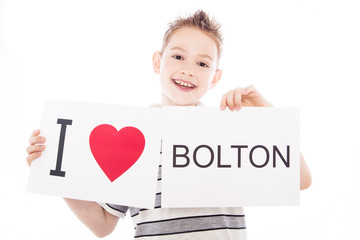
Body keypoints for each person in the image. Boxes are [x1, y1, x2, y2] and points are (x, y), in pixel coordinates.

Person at [26, 10, 312, 240]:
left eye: (202, 64)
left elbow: (300, 180)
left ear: (215, 77)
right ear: (157, 62)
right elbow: (102, 225)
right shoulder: (133, 136)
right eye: (178, 56)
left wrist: (267, 114)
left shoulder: (227, 132)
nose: (188, 69)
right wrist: (55, 173)